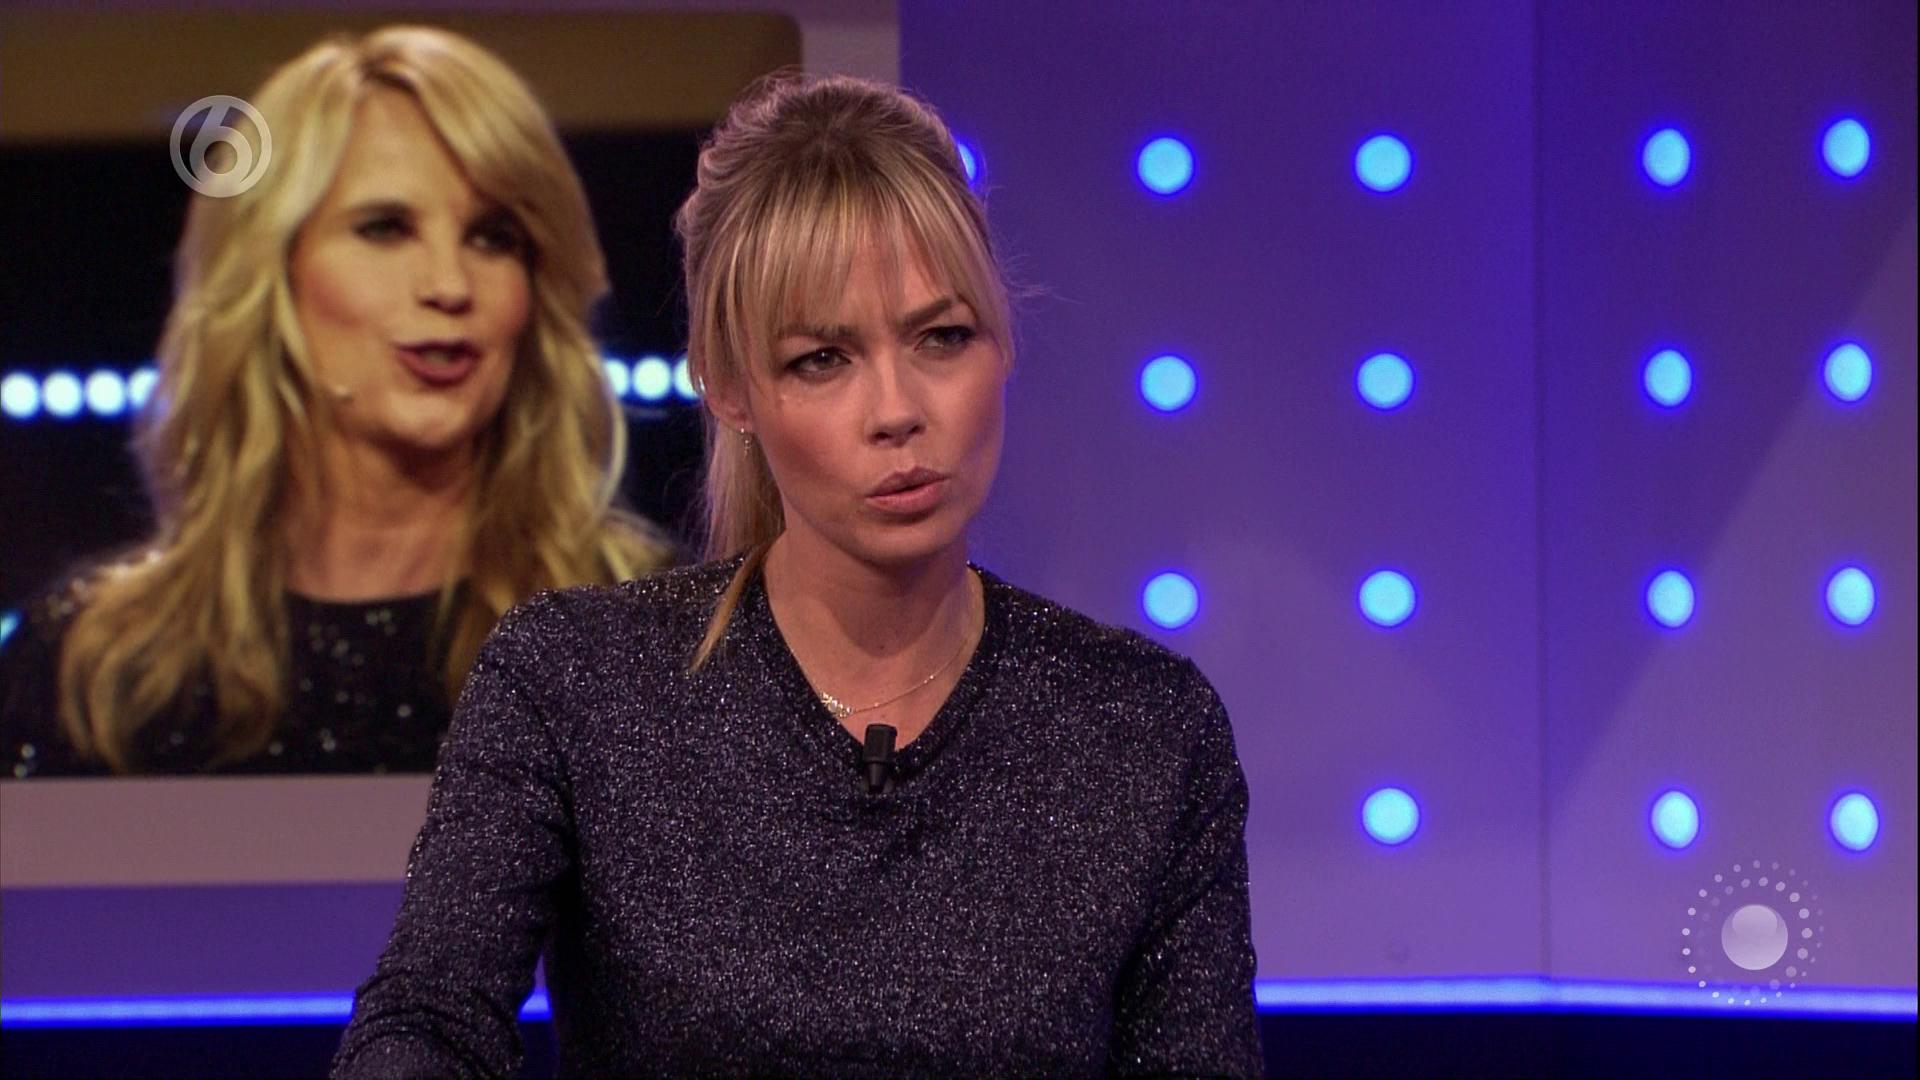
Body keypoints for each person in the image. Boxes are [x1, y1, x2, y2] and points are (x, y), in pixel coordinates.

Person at [332, 73, 1262, 1077]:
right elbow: (423, 1025)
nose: (897, 411)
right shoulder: (574, 684)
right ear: (730, 387)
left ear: (1001, 347)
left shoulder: (1143, 730)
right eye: (823, 358)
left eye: (942, 338)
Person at [0, 26, 673, 777]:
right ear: (271, 275)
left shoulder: (660, 646)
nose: (449, 285)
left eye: (493, 237)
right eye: (385, 229)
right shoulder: (91, 677)